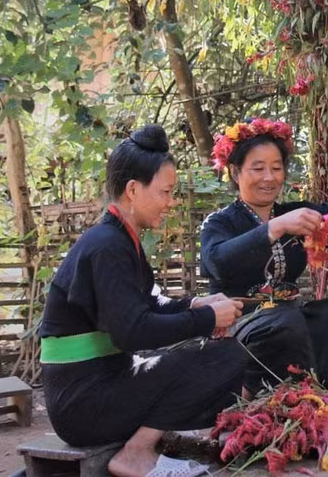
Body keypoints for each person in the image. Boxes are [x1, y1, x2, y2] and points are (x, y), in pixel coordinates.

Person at [41, 125, 246, 477]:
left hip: (102, 387)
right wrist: (207, 320)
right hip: (84, 405)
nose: (170, 202)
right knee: (223, 357)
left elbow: (146, 309)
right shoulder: (107, 246)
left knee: (216, 357)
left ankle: (142, 445)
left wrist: (195, 306)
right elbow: (132, 331)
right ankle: (136, 452)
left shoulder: (122, 241)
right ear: (133, 190)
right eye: (166, 192)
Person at [200, 117, 328, 394]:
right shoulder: (219, 223)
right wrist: (274, 228)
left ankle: (326, 395)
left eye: (276, 168)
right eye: (258, 168)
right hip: (243, 327)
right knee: (284, 324)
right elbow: (217, 262)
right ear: (235, 172)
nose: (269, 178)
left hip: (292, 322)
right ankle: (275, 397)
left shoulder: (295, 213)